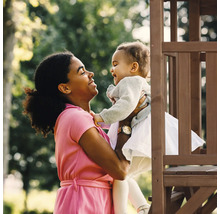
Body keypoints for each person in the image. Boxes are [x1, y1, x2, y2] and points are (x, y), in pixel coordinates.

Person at [23, 51, 146, 214]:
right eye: (82, 72)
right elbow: (120, 170)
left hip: (92, 199)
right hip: (83, 202)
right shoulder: (75, 117)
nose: (90, 74)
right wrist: (126, 121)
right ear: (65, 87)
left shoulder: (84, 118)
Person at [93, 41, 205, 214]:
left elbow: (125, 107)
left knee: (119, 175)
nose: (111, 69)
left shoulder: (130, 82)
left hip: (143, 134)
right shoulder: (139, 83)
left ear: (133, 67)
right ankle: (143, 208)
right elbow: (123, 114)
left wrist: (101, 117)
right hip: (146, 132)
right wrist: (102, 121)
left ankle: (121, 211)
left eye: (115, 64)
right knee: (124, 174)